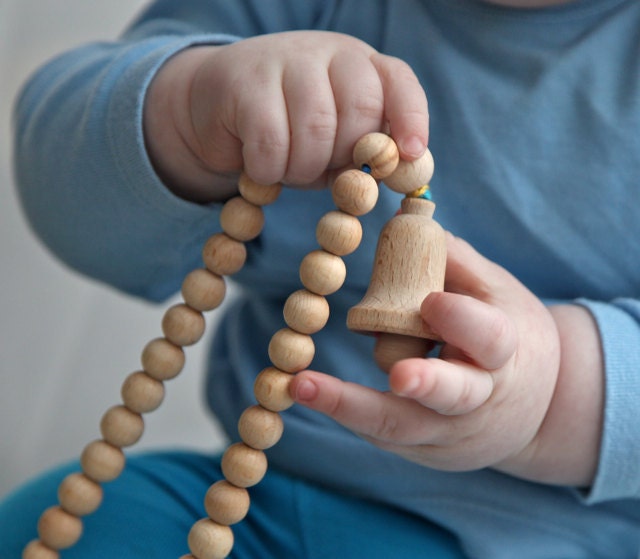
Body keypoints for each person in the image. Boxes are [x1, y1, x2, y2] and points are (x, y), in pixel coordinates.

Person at [2, 0, 639, 557]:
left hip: (546, 541)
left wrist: (554, 394)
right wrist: (187, 116)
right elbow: (69, 194)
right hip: (254, 502)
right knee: (68, 524)